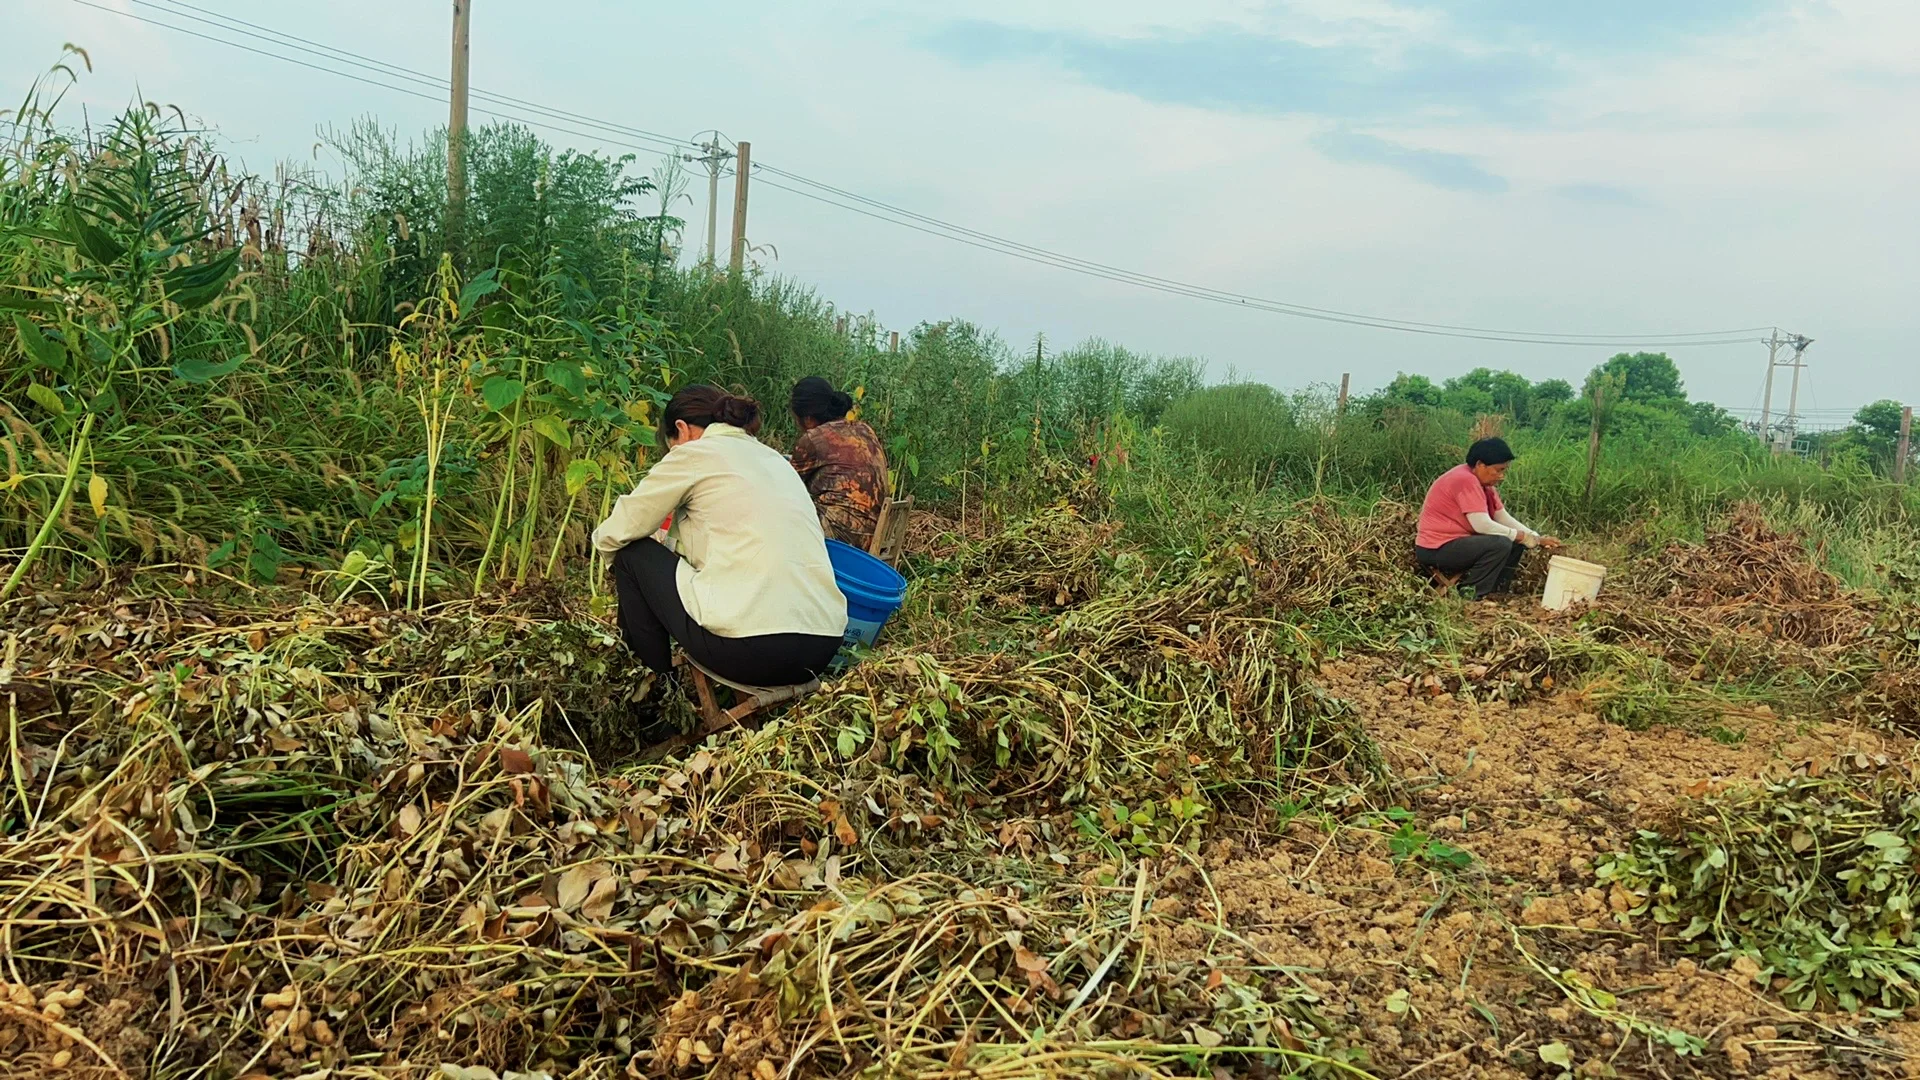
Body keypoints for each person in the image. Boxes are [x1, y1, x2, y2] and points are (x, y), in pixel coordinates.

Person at [591, 385, 847, 688]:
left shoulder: (693, 454)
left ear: (681, 429)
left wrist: (612, 567)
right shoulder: (776, 459)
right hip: (822, 648)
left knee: (632, 554)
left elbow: (620, 528)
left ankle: (655, 695)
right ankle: (642, 682)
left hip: (754, 651)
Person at [1415, 437, 1561, 600]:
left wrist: (1535, 537)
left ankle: (1496, 592)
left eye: (1504, 471)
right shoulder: (1465, 480)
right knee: (1501, 543)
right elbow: (1481, 525)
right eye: (1498, 470)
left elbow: (1502, 517)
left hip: (1457, 544)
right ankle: (1469, 594)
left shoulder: (1484, 486)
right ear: (1480, 465)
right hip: (1436, 549)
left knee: (1513, 541)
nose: (1501, 476)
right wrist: (1522, 536)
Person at [786, 376, 890, 547]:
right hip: (875, 534)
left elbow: (785, 484)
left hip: (841, 536)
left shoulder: (814, 438)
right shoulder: (864, 429)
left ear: (807, 418)